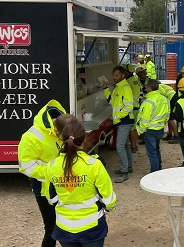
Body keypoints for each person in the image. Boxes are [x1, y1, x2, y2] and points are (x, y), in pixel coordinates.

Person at [43, 118, 117, 247]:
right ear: (84, 139)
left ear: (62, 139)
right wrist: (109, 208)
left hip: (64, 227)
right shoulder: (94, 165)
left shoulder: (52, 165)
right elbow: (108, 199)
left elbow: (51, 198)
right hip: (92, 227)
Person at [18, 99, 67, 247]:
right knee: (51, 229)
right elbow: (26, 167)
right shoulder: (30, 137)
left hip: (64, 184)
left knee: (66, 226)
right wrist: (53, 172)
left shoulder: (60, 129)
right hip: (43, 188)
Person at [103, 66, 135, 183]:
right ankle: (128, 167)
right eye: (113, 75)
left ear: (122, 75)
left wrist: (117, 117)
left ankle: (124, 171)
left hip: (125, 121)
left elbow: (128, 107)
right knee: (125, 145)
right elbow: (112, 101)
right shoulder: (118, 87)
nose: (114, 77)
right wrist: (106, 89)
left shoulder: (125, 88)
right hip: (121, 121)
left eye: (116, 75)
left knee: (120, 146)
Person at [137, 79, 170, 172]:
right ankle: (159, 169)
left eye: (146, 86)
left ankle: (154, 173)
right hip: (160, 129)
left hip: (150, 130)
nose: (145, 88)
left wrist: (141, 130)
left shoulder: (148, 102)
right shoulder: (165, 99)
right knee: (156, 150)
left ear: (149, 88)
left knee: (152, 153)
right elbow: (167, 113)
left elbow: (144, 119)